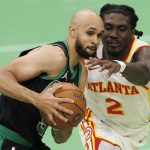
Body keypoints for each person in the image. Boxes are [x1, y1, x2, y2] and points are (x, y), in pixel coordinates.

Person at [0, 9, 104, 150]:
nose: (95, 41)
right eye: (90, 33)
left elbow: (60, 139)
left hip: (31, 142)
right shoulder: (54, 56)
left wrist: (65, 119)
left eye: (100, 35)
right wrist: (38, 99)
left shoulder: (81, 73)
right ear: (73, 31)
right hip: (5, 136)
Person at [79, 3, 150, 150]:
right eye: (108, 28)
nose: (114, 34)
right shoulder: (88, 51)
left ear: (132, 32)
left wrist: (121, 66)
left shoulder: (142, 51)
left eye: (122, 29)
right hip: (98, 123)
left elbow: (144, 74)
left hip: (137, 130)